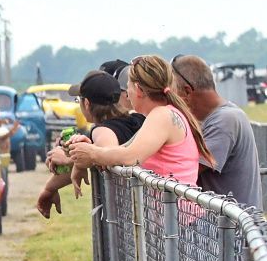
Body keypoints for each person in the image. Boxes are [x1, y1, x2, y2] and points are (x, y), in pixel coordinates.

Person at [68, 55, 213, 184]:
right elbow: (122, 151)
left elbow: (131, 157)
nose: (126, 94)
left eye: (127, 86)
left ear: (138, 89)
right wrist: (90, 149)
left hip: (174, 212)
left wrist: (93, 153)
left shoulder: (162, 115)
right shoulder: (164, 114)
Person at [36, 70, 142, 218]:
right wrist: (50, 188)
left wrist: (74, 159)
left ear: (86, 103)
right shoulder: (137, 119)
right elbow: (94, 156)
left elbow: (108, 155)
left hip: (131, 214)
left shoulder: (102, 131)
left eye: (78, 100)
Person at [170, 54, 262, 208]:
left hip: (233, 229)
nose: (171, 100)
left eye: (172, 93)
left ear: (187, 92)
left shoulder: (224, 120)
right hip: (225, 226)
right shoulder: (224, 115)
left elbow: (185, 169)